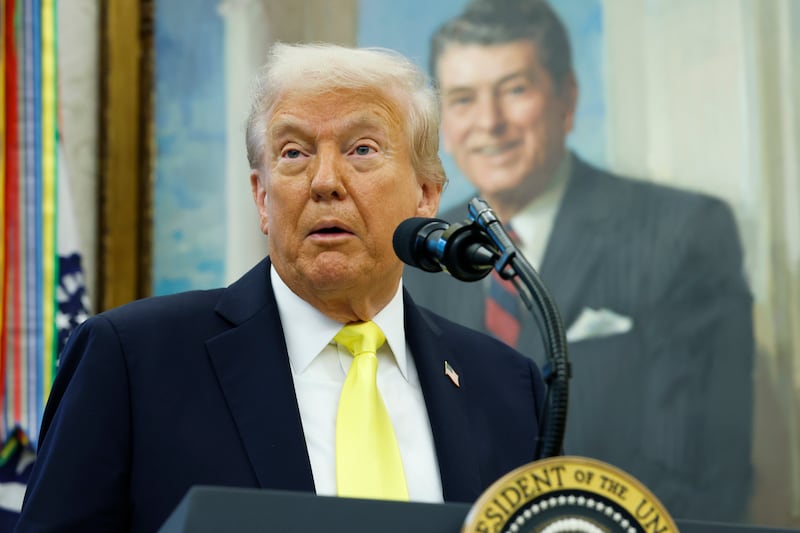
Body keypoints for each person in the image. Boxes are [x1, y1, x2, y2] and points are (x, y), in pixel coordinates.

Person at [15, 43, 547, 532]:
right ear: (263, 197)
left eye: (362, 148)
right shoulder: (133, 361)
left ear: (426, 194)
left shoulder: (506, 389)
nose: (324, 181)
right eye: (294, 153)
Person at [402, 0, 754, 523]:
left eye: (515, 90)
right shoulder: (418, 252)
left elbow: (702, 472)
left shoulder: (681, 232)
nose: (489, 122)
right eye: (463, 99)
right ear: (443, 125)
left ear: (567, 98)